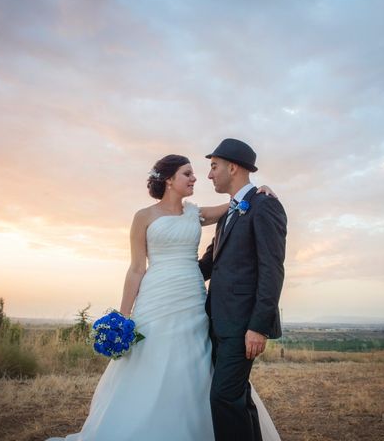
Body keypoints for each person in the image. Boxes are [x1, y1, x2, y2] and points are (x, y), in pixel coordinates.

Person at [46, 153, 281, 441]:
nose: (196, 178)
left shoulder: (196, 213)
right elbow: (135, 269)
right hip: (156, 296)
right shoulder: (143, 217)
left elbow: (240, 205)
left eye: (198, 172)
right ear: (169, 179)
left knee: (196, 363)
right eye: (188, 173)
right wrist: (122, 315)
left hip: (192, 299)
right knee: (152, 359)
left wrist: (263, 191)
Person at [199, 138, 287, 441]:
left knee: (223, 398)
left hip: (243, 326)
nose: (209, 174)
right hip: (217, 322)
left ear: (232, 167)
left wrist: (258, 327)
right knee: (236, 397)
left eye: (214, 166)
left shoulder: (266, 206)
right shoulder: (229, 213)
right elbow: (209, 265)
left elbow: (272, 269)